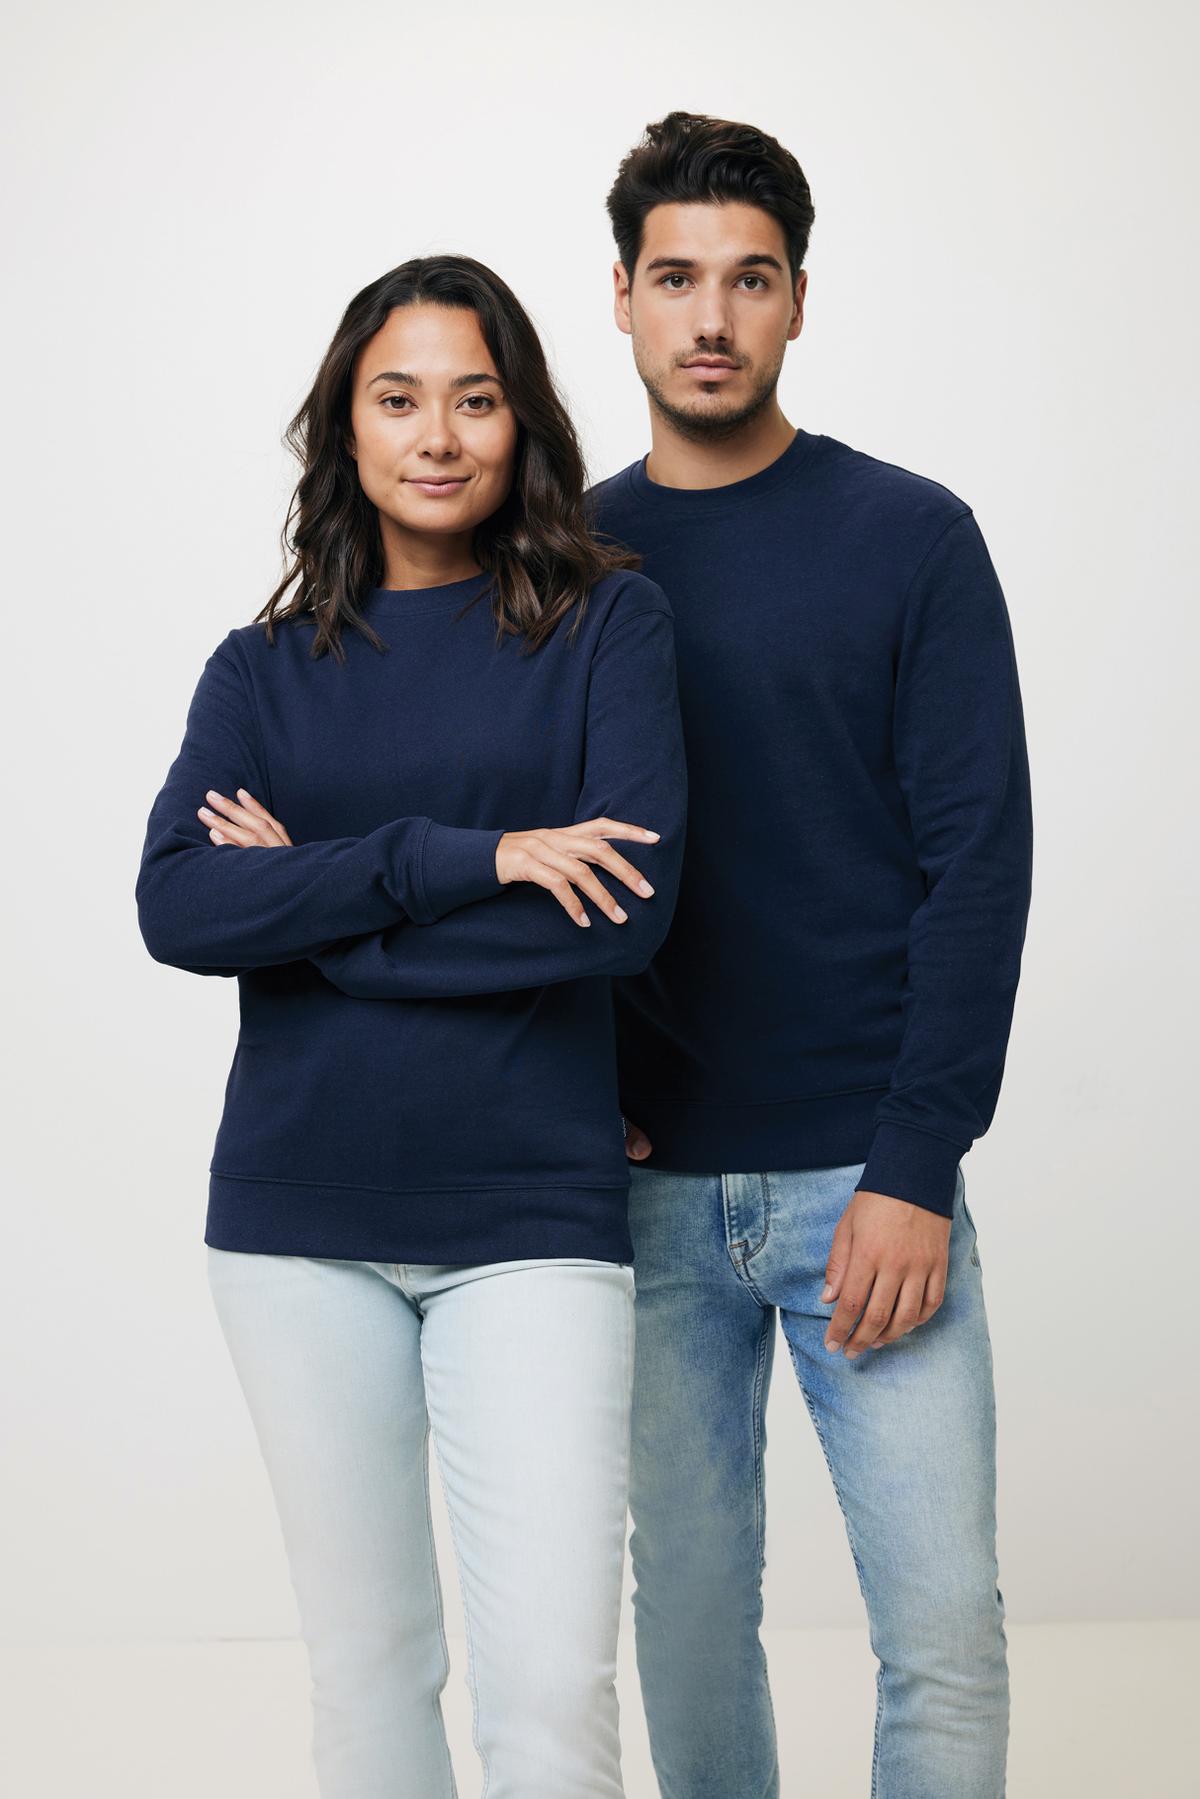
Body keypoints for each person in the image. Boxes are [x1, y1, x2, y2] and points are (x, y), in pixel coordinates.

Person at [134, 253, 687, 1799]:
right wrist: (471, 862)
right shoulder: (261, 670)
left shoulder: (606, 627)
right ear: (345, 426)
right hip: (296, 1230)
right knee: (370, 1671)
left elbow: (621, 916)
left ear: (521, 425)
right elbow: (179, 908)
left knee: (551, 1688)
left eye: (474, 399)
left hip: (531, 1217)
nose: (437, 435)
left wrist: (313, 915)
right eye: (397, 399)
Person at [586, 112, 1034, 1797]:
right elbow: (517, 847)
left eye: (750, 280)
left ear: (797, 301)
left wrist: (918, 1163)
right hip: (641, 1203)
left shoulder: (910, 536)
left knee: (943, 1630)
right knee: (693, 1624)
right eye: (677, 279)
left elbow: (980, 864)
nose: (712, 318)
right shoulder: (565, 556)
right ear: (621, 296)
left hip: (869, 1178)